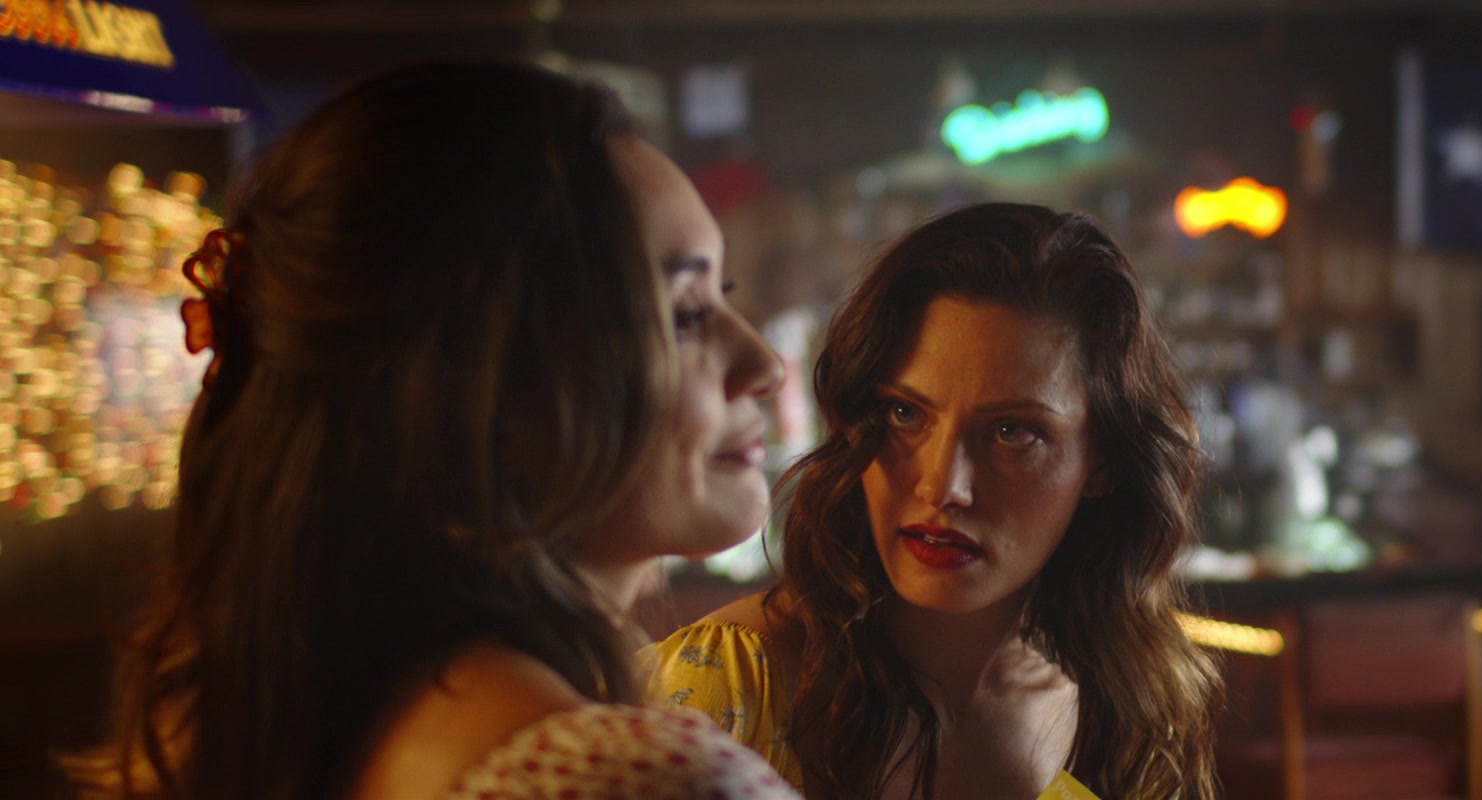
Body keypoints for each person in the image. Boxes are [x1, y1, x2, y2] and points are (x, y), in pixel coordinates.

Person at [71, 62, 800, 800]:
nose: (763, 364)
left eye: (724, 296)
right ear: (483, 384)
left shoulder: (312, 729)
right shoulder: (633, 778)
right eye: (684, 315)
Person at [648, 202, 1224, 799]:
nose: (943, 486)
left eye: (1012, 433)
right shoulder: (731, 688)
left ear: (1101, 461)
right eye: (906, 413)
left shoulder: (1129, 712)